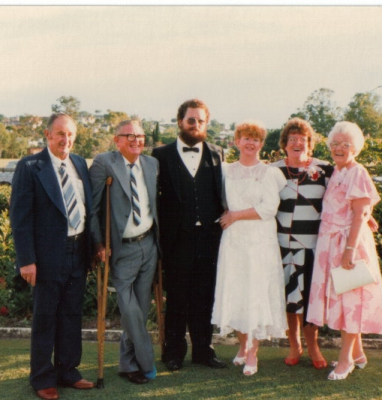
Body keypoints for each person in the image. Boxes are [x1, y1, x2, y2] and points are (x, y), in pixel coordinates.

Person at [10, 113, 94, 400]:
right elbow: (20, 217)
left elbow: (86, 208)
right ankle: (42, 378)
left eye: (70, 134)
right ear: (47, 135)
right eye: (59, 134)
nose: (65, 139)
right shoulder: (30, 166)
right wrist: (26, 260)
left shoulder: (80, 163)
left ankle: (68, 372)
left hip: (77, 251)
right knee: (45, 318)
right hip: (46, 257)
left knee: (71, 315)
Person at [307, 121, 382, 380]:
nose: (339, 148)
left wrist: (349, 250)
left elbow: (359, 213)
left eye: (345, 144)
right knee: (343, 301)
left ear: (355, 148)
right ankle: (358, 354)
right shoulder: (338, 171)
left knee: (350, 303)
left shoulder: (357, 171)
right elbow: (360, 209)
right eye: (335, 143)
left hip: (348, 245)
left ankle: (346, 360)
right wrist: (366, 215)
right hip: (331, 244)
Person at [152, 99, 227, 371]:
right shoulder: (160, 156)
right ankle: (173, 353)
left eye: (201, 121)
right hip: (176, 240)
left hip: (209, 239)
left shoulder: (217, 154)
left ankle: (203, 351)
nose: (196, 125)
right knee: (178, 298)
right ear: (180, 121)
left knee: (204, 297)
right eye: (191, 120)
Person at [212, 121, 287, 376]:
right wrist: (228, 217)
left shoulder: (269, 173)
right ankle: (243, 346)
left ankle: (253, 352)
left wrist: (235, 215)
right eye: (246, 138)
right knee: (238, 291)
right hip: (233, 242)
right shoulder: (225, 171)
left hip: (259, 242)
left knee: (255, 292)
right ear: (237, 141)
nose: (250, 143)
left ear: (261, 144)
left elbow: (268, 208)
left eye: (255, 139)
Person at [90, 120, 160, 385]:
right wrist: (98, 244)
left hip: (148, 245)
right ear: (116, 140)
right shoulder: (104, 162)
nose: (135, 140)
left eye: (140, 135)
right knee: (130, 310)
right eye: (128, 135)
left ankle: (127, 364)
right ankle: (146, 359)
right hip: (120, 249)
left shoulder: (152, 165)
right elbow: (95, 207)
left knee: (141, 308)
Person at [271, 118, 333, 370]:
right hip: (282, 245)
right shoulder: (273, 170)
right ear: (284, 144)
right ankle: (294, 345)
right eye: (292, 139)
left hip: (313, 246)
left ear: (310, 144)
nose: (297, 143)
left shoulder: (325, 169)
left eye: (303, 139)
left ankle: (313, 345)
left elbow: (342, 197)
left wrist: (366, 214)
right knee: (289, 298)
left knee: (310, 298)